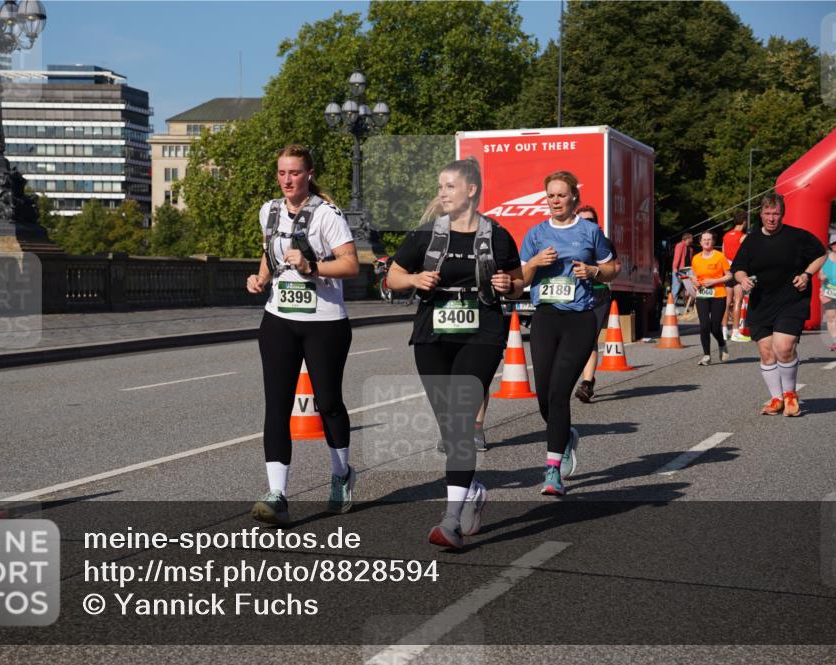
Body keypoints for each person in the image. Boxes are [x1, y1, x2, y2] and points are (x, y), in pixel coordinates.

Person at [386, 157, 523, 548]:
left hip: (482, 332)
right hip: (433, 335)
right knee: (449, 426)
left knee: (462, 423)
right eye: (440, 186)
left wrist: (505, 284)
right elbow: (392, 277)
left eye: (449, 186)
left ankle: (450, 520)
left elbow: (516, 283)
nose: (442, 193)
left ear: (472, 190)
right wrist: (414, 278)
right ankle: (472, 491)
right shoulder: (426, 235)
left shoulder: (497, 236)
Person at [246, 144, 360, 525]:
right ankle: (277, 493)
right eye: (281, 173)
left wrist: (313, 265)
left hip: (325, 322)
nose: (287, 180)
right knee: (277, 406)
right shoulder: (270, 210)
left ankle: (342, 474)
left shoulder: (327, 215)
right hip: (279, 318)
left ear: (308, 174)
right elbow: (270, 251)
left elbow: (351, 264)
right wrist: (261, 278)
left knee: (328, 403)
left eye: (294, 173)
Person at [520, 171, 615, 496]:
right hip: (545, 317)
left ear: (573, 197)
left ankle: (552, 471)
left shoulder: (590, 231)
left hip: (579, 319)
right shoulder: (535, 233)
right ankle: (566, 436)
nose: (555, 201)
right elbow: (519, 278)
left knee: (560, 392)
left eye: (561, 195)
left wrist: (594, 271)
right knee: (545, 395)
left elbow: (612, 267)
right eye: (550, 196)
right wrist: (534, 262)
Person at [730, 193, 826, 417]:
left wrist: (806, 274)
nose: (771, 218)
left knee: (783, 347)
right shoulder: (751, 240)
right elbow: (738, 268)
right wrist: (743, 279)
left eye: (776, 214)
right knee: (766, 353)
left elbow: (821, 255)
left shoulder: (797, 237)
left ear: (782, 214)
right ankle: (776, 398)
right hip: (762, 301)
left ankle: (790, 395)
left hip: (792, 299)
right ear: (761, 214)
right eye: (767, 214)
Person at [573, 205, 622, 403]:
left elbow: (615, 267)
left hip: (598, 294)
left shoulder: (604, 243)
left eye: (590, 221)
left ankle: (586, 383)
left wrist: (596, 271)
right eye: (582, 220)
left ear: (597, 224)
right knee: (575, 340)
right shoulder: (568, 242)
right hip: (573, 295)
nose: (586, 224)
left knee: (588, 338)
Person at [690, 230, 732, 365]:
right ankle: (706, 355)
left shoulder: (719, 257)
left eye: (709, 239)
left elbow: (729, 275)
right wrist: (694, 282)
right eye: (704, 240)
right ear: (700, 242)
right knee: (704, 325)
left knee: (715, 327)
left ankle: (721, 343)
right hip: (702, 294)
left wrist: (714, 281)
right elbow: (694, 276)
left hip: (718, 294)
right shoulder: (696, 258)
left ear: (713, 241)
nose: (707, 242)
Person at [723, 211, 748, 340]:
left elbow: (723, 253)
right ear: (744, 222)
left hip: (727, 270)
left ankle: (723, 329)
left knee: (727, 301)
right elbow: (746, 255)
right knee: (738, 300)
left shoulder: (726, 236)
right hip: (738, 270)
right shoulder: (743, 237)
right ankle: (735, 331)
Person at [671, 232, 694, 304]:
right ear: (686, 239)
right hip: (679, 270)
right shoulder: (680, 245)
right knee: (676, 288)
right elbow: (677, 257)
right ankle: (672, 306)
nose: (692, 240)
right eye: (691, 238)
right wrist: (675, 268)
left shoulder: (690, 249)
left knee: (688, 288)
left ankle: (686, 306)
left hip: (688, 270)